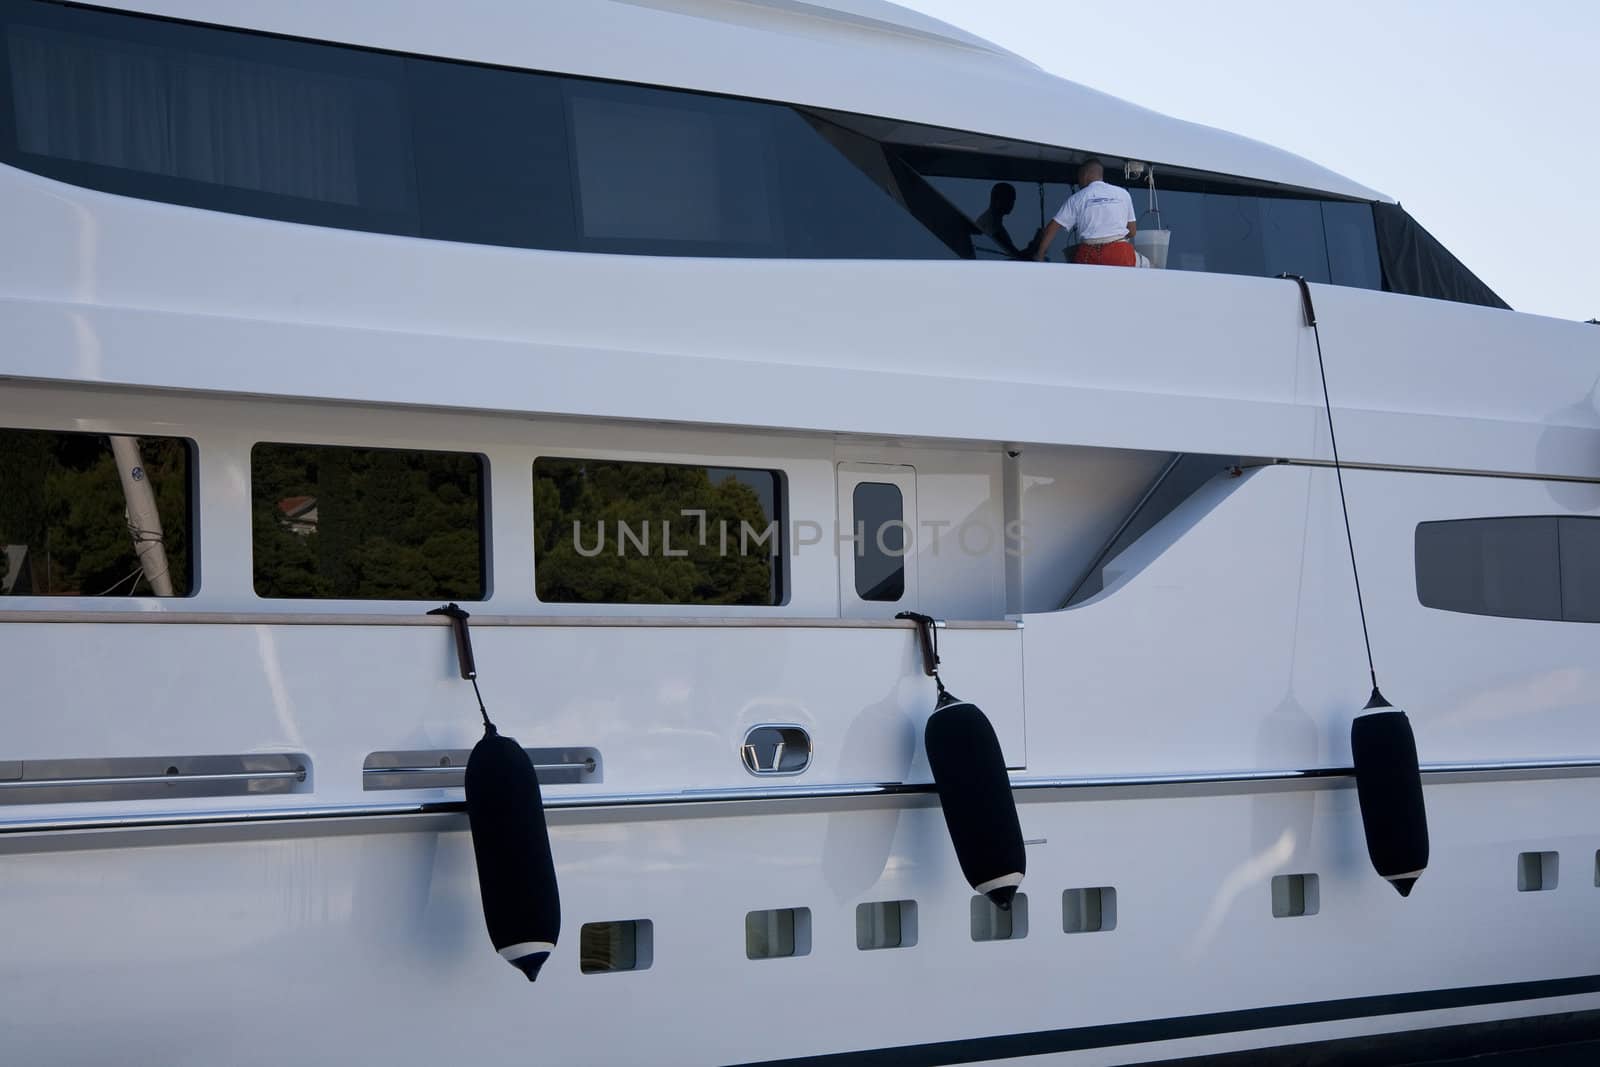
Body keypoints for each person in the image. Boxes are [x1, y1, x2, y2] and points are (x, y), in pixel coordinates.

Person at [1032, 160, 1137, 266]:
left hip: (1089, 252)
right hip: (1120, 252)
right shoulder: (1123, 194)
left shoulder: (1077, 198)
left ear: (1084, 175)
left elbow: (1052, 228)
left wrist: (1039, 255)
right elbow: (1132, 231)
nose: (1078, 181)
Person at [973, 182, 1022, 258]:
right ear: (997, 199)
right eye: (1009, 199)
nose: (1012, 204)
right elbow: (1011, 253)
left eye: (1013, 200)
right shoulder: (990, 222)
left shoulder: (993, 222)